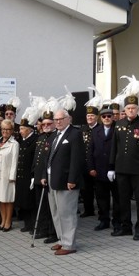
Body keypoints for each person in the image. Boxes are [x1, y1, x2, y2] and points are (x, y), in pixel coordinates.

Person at [108, 87, 139, 240]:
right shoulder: (119, 124)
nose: (131, 110)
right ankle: (126, 226)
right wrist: (111, 168)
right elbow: (114, 147)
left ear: (138, 109)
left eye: (134, 108)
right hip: (121, 169)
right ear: (125, 109)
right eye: (128, 108)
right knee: (122, 200)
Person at [41, 109, 85, 255]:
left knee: (67, 213)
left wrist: (72, 179)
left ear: (69, 119)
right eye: (56, 119)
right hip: (52, 180)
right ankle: (62, 239)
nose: (58, 121)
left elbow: (77, 159)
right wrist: (43, 175)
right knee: (56, 212)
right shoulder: (54, 135)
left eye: (61, 119)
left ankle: (69, 244)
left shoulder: (75, 134)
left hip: (67, 181)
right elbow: (47, 158)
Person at [88, 107, 120, 233]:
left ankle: (117, 221)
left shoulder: (118, 129)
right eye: (104, 116)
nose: (107, 118)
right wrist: (91, 167)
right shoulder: (96, 131)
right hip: (99, 170)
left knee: (117, 198)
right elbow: (90, 150)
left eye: (109, 116)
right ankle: (104, 220)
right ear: (101, 118)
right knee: (102, 198)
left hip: (115, 170)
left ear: (113, 117)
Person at [0, 119, 19, 231]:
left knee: (8, 199)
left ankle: (8, 222)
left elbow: (14, 161)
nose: (5, 131)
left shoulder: (14, 144)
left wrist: (12, 176)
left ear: (12, 130)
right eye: (3, 129)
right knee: (0, 199)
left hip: (7, 176)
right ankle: (2, 221)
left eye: (8, 129)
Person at [32, 112, 57, 243]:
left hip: (48, 177)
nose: (46, 126)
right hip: (38, 176)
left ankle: (52, 232)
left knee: (50, 206)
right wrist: (33, 173)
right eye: (44, 124)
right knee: (40, 206)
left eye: (49, 124)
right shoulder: (41, 137)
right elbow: (36, 157)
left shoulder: (55, 137)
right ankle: (42, 229)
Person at [14, 112, 38, 232]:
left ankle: (34, 225)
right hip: (22, 177)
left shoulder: (35, 140)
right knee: (23, 201)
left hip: (30, 176)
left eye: (22, 129)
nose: (20, 131)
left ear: (29, 129)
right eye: (20, 129)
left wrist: (33, 176)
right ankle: (27, 224)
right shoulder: (22, 141)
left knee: (31, 202)